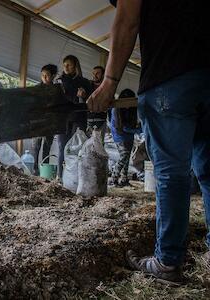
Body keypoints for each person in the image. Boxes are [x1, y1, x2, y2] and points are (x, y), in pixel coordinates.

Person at [87, 0, 209, 285]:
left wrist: (109, 82)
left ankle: (168, 260)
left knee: (171, 174)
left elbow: (128, 20)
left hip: (170, 76)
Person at [56, 55, 92, 179]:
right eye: (64, 64)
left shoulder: (84, 82)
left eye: (69, 65)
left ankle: (76, 178)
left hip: (79, 118)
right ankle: (60, 177)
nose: (66, 67)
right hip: (63, 118)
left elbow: (90, 102)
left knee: (77, 147)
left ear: (75, 66)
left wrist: (83, 96)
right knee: (62, 147)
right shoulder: (59, 81)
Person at [109, 88, 139, 187]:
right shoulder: (116, 109)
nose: (127, 106)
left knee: (126, 158)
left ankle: (124, 179)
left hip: (129, 136)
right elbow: (123, 128)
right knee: (124, 156)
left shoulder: (132, 109)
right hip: (119, 135)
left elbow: (131, 125)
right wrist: (140, 130)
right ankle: (113, 178)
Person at [32, 64, 57, 175]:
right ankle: (34, 169)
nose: (44, 78)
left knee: (47, 147)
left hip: (50, 122)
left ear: (53, 76)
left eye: (47, 75)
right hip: (38, 122)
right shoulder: (37, 88)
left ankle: (44, 170)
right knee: (36, 147)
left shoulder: (57, 90)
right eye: (42, 75)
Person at [87, 66, 107, 139]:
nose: (95, 75)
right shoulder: (88, 85)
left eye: (98, 73)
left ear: (103, 74)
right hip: (88, 120)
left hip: (101, 120)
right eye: (93, 73)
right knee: (87, 145)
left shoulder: (106, 87)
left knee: (99, 145)